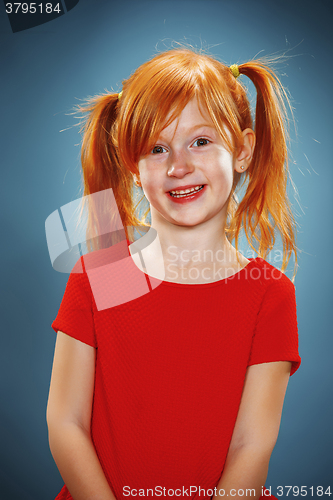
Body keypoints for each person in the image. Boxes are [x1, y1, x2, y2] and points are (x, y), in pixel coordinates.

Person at [46, 47, 301, 500]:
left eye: (200, 141)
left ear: (241, 150)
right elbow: (65, 424)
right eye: (157, 149)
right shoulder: (106, 275)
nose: (179, 166)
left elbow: (252, 445)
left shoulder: (267, 293)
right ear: (134, 168)